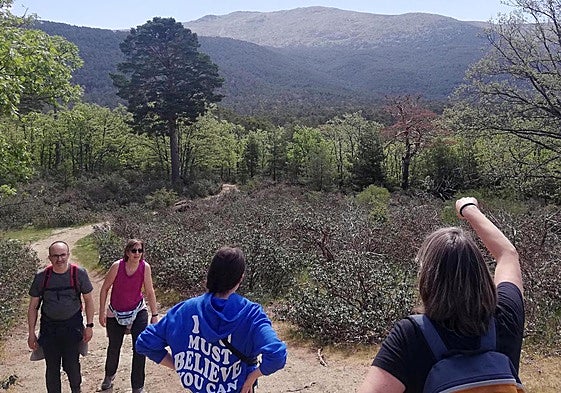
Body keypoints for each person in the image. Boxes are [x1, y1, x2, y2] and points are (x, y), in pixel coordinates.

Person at [358, 197, 524, 393]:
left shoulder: (411, 335)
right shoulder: (506, 317)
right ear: (480, 272)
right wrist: (468, 209)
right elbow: (507, 254)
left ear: (427, 280)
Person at [136, 246, 287, 393]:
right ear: (240, 278)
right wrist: (252, 377)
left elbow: (145, 343)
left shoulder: (186, 310)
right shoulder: (251, 314)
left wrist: (182, 365)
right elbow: (277, 355)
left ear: (211, 274)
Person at [27, 240, 95, 393]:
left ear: (68, 255)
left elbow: (89, 300)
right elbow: (33, 307)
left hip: (72, 327)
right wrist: (31, 333)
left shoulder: (79, 273)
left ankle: (76, 390)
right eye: (55, 256)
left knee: (72, 365)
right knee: (52, 367)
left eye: (63, 255)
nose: (59, 259)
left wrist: (89, 326)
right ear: (49, 258)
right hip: (50, 329)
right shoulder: (42, 277)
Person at [98, 239, 158, 393]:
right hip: (116, 311)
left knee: (139, 348)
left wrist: (154, 314)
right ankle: (109, 375)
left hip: (138, 310)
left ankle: (138, 386)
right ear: (127, 252)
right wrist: (103, 311)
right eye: (133, 250)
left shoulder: (145, 268)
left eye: (140, 250)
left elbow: (150, 291)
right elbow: (104, 289)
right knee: (114, 347)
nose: (137, 253)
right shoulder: (117, 266)